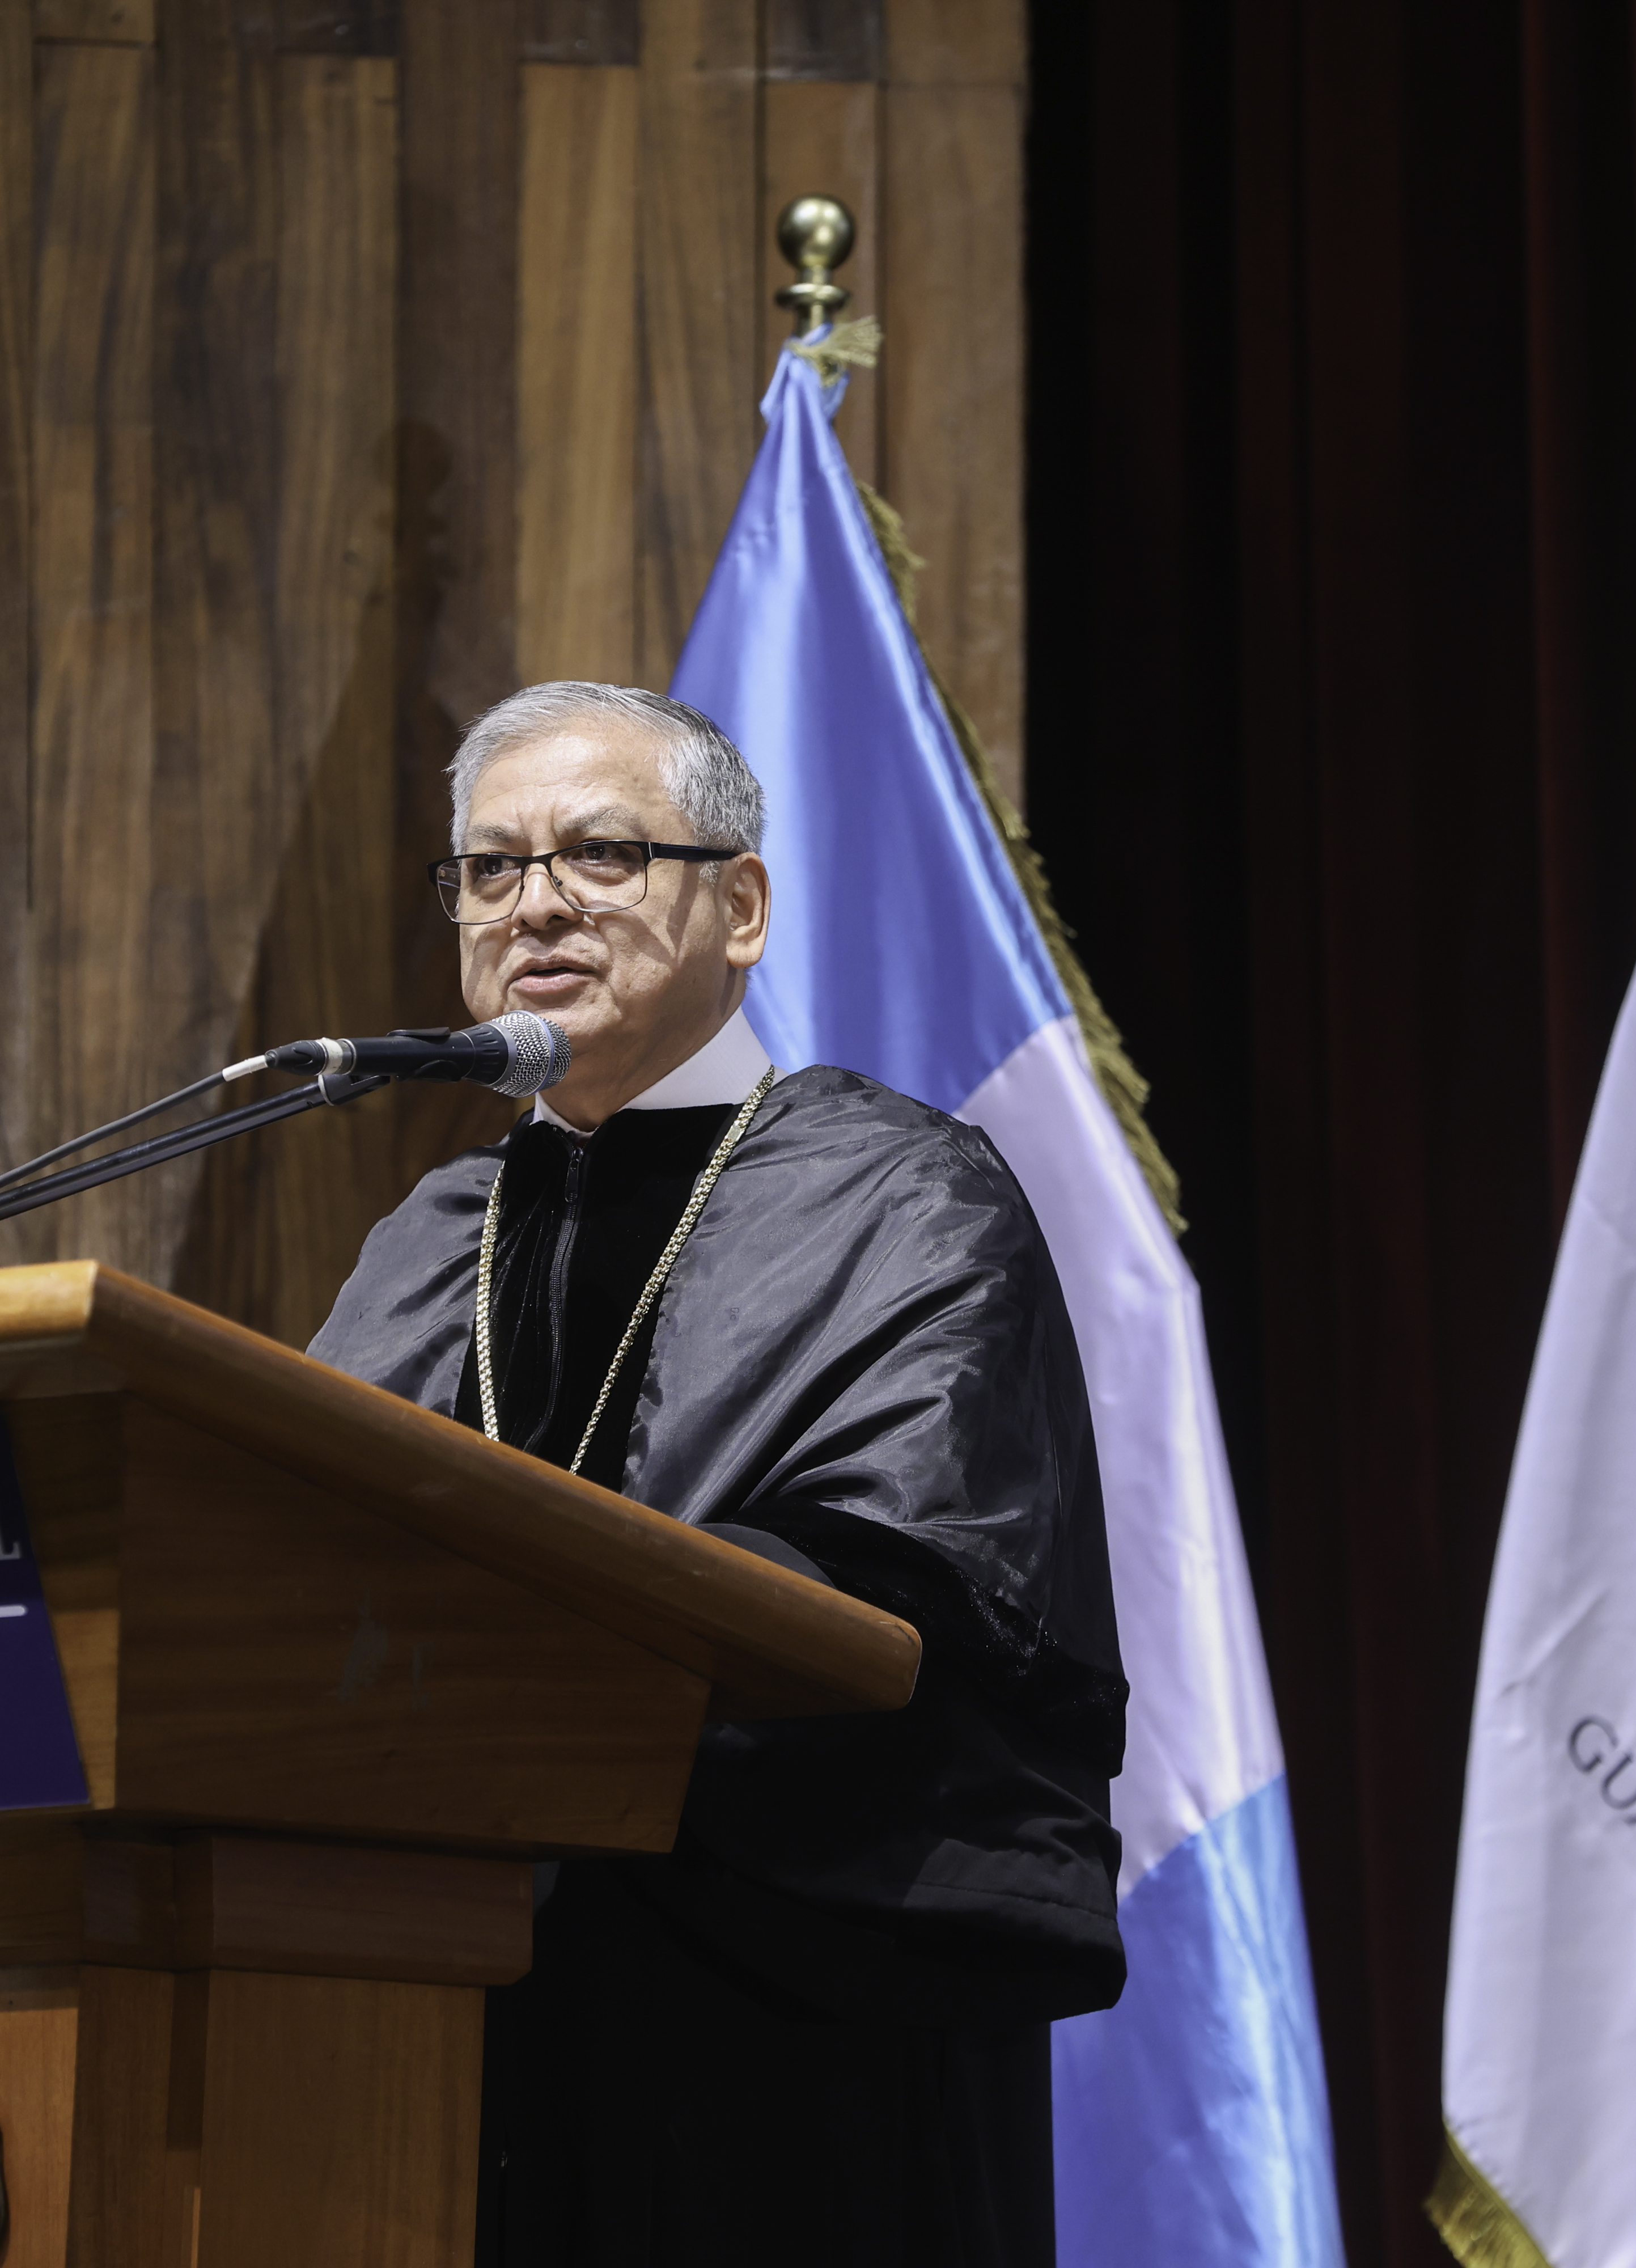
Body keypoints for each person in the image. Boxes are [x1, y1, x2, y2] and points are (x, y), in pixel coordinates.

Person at [309, 682, 1126, 2267]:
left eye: (601, 853)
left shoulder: (900, 1197)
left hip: (779, 2030)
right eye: (489, 869)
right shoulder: (432, 1237)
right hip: (433, 2021)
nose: (535, 900)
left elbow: (917, 1599)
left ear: (739, 906)